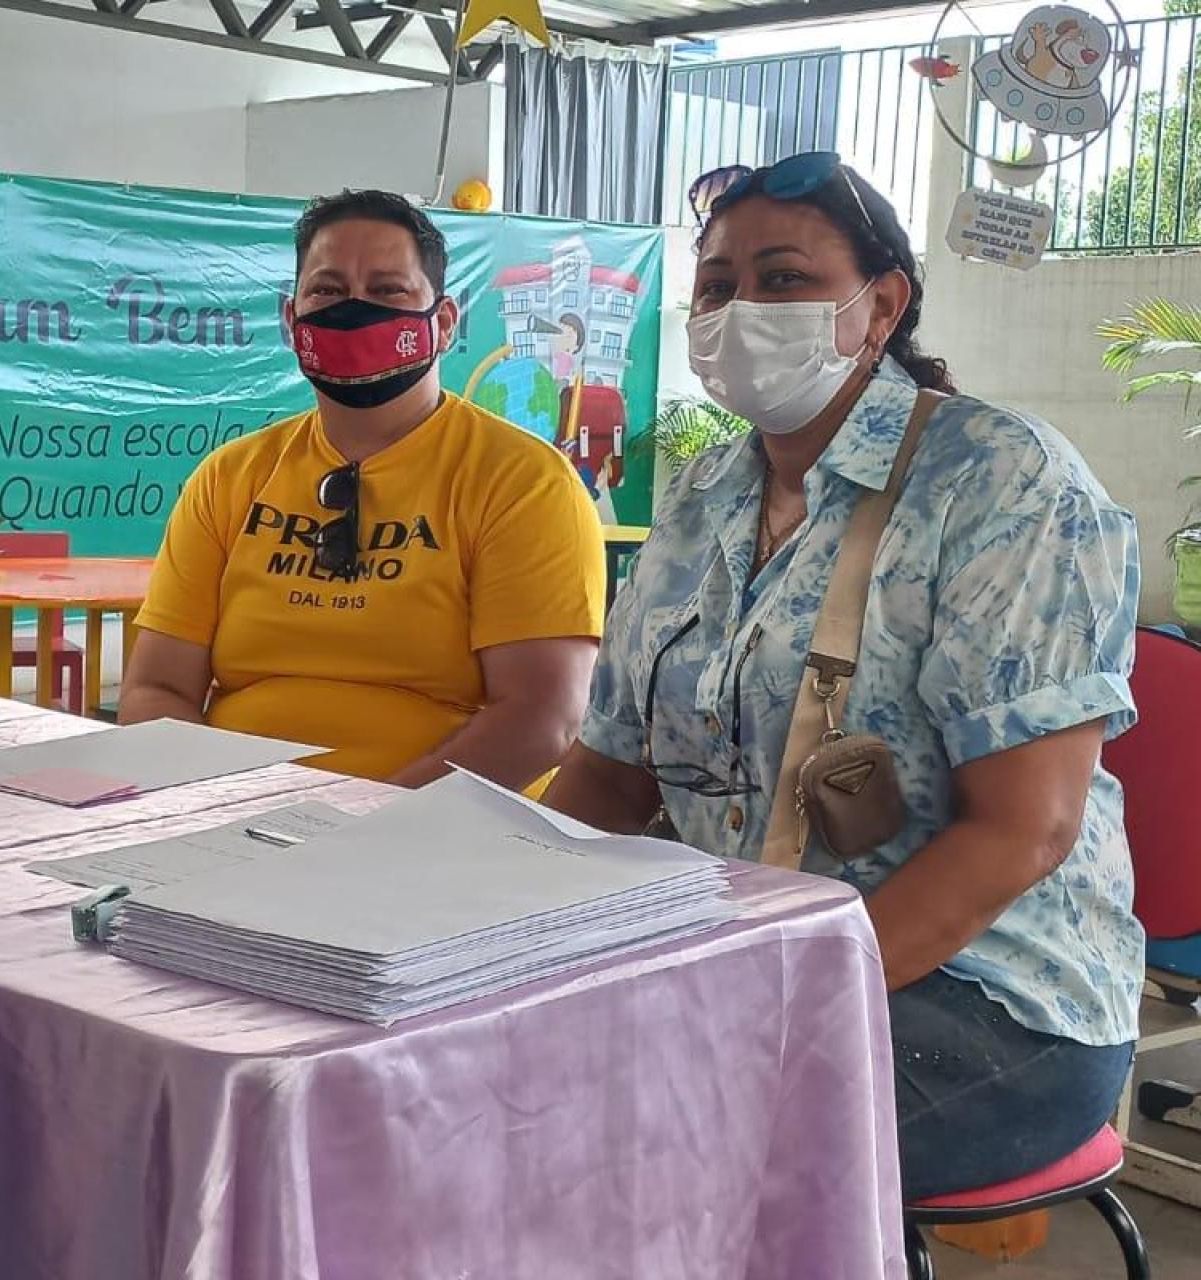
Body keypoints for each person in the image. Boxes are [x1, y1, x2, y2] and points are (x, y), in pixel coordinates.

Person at [541, 153, 1141, 1199]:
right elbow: (611, 774)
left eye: (782, 279)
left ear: (883, 306)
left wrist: (774, 984)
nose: (740, 310)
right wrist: (503, 929)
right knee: (476, 1060)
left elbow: (1024, 829)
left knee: (626, 1123)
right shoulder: (700, 495)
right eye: (718, 286)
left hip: (983, 998)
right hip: (723, 951)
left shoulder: (1003, 481)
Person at [123, 189, 605, 791]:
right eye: (326, 291)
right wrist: (207, 804)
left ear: (445, 322)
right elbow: (155, 687)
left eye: (387, 291)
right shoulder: (230, 477)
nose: (354, 310)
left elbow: (543, 719)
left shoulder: (523, 483)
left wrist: (361, 829)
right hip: (229, 821)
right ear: (290, 320)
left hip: (438, 834)